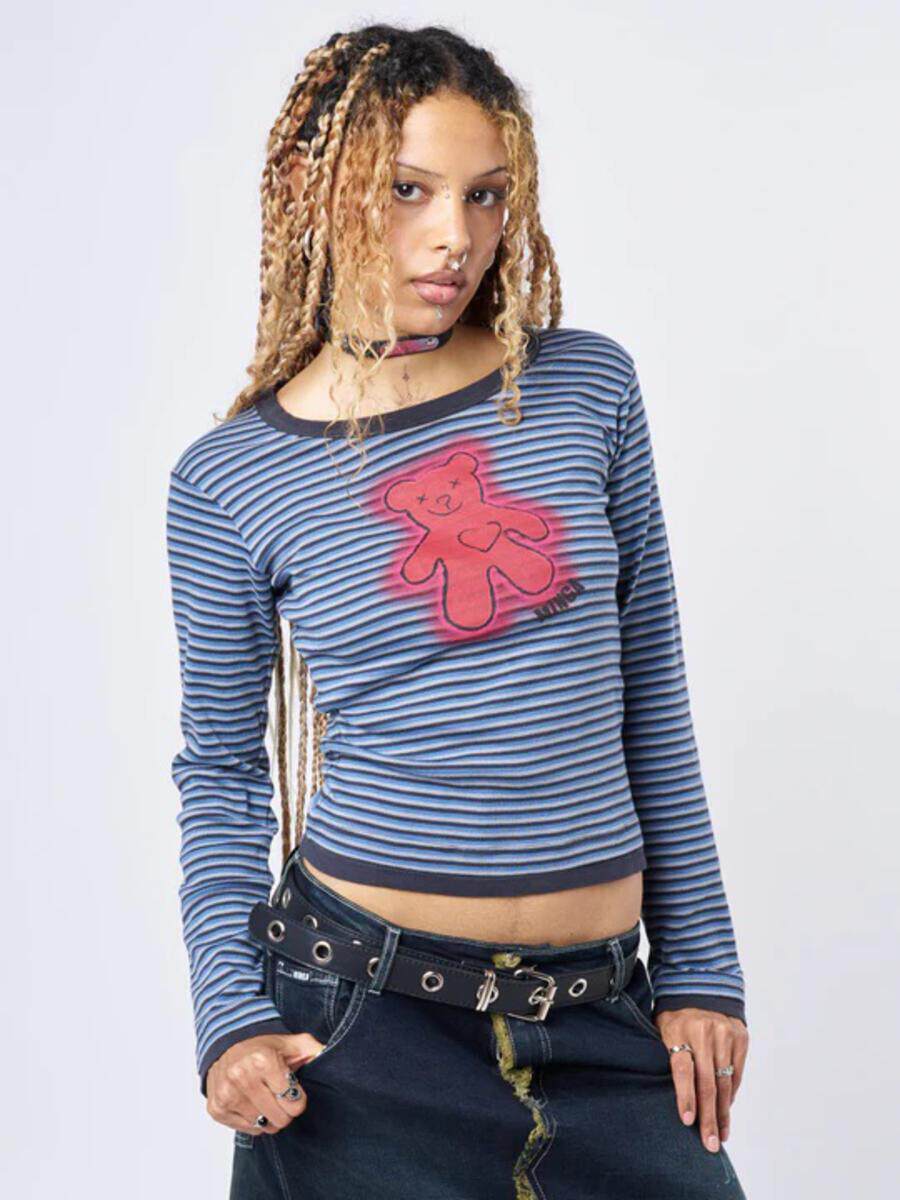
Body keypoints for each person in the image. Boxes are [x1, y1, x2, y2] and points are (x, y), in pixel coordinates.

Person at [165, 22, 749, 1199]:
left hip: (603, 1015)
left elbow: (649, 685)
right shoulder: (230, 478)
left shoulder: (585, 387)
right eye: (409, 190)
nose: (456, 235)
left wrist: (701, 965)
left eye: (486, 194)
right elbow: (221, 772)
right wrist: (229, 1017)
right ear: (316, 189)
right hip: (359, 1029)